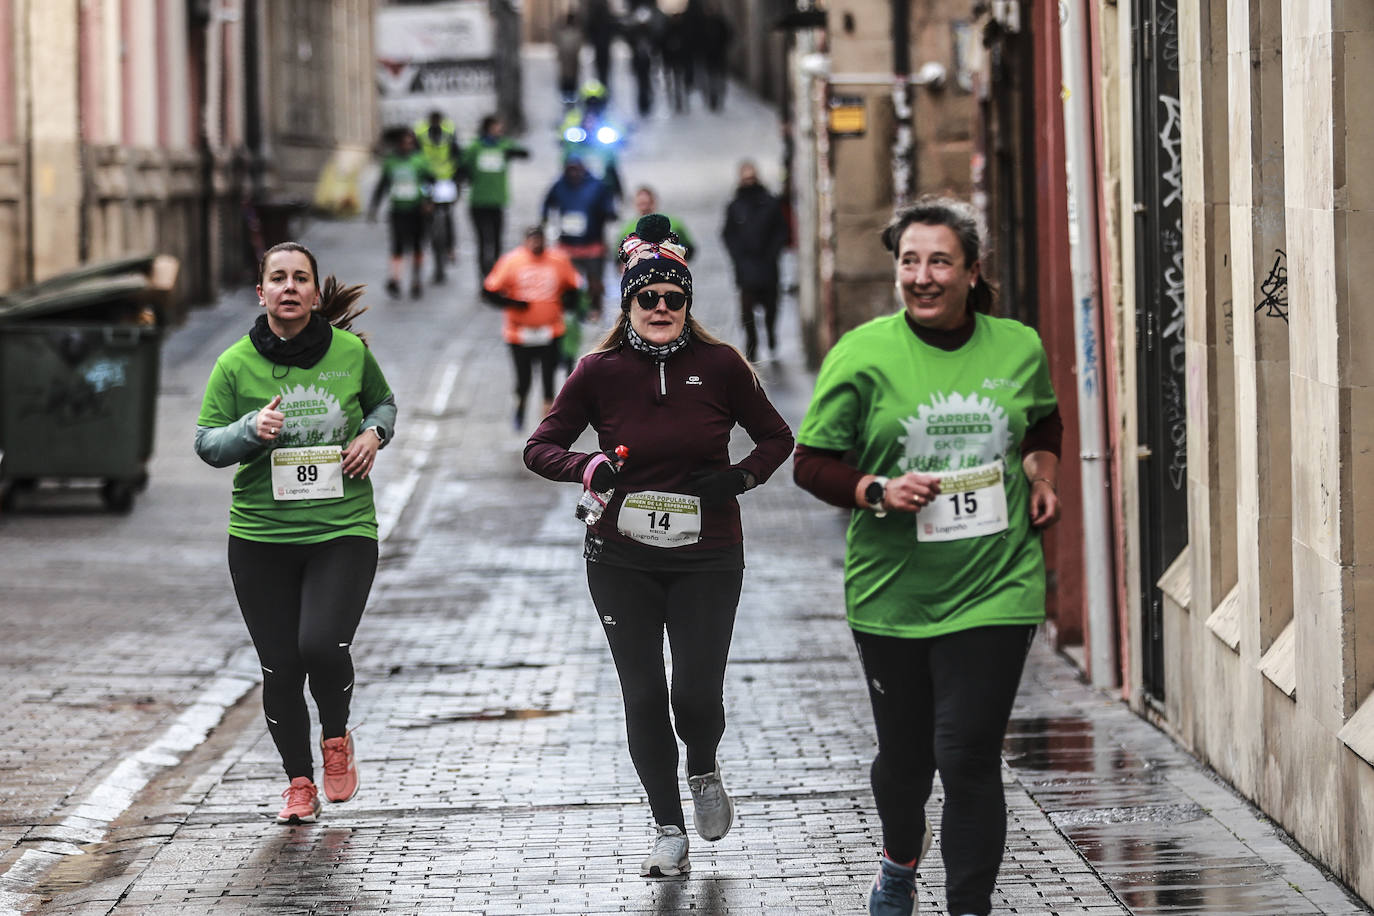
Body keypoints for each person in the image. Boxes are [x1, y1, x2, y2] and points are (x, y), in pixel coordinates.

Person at [791, 198, 1063, 916]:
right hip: (893, 593)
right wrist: (876, 488)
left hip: (996, 585)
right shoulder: (863, 353)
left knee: (967, 755)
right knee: (906, 763)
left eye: (939, 260)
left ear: (972, 272)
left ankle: (968, 908)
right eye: (909, 261)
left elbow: (1043, 422)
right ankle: (898, 861)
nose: (922, 275)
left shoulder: (1017, 347)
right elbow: (811, 463)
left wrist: (1042, 477)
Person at [524, 214, 794, 879]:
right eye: (650, 297)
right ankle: (667, 826)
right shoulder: (599, 371)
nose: (663, 307)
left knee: (694, 698)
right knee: (643, 696)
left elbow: (776, 437)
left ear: (688, 303)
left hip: (707, 555)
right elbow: (539, 448)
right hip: (621, 557)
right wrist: (586, 467)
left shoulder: (722, 366)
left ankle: (702, 766)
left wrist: (741, 475)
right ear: (629, 303)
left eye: (675, 297)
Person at [194, 241, 397, 825]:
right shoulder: (235, 363)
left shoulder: (350, 352)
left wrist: (372, 436)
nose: (289, 288)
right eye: (277, 279)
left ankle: (336, 738)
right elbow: (208, 444)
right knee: (280, 666)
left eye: (300, 278)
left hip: (342, 530)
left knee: (320, 644)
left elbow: (382, 404)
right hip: (260, 537)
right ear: (261, 293)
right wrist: (249, 429)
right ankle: (298, 782)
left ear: (313, 291)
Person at [482, 225, 584, 431]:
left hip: (551, 330)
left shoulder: (558, 260)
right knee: (523, 379)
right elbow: (489, 292)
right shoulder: (511, 262)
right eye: (532, 239)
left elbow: (574, 287)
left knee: (549, 378)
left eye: (539, 239)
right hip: (519, 333)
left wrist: (567, 304)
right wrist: (512, 303)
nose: (536, 243)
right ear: (525, 241)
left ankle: (545, 424)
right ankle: (520, 406)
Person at [721, 161, 788, 361]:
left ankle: (771, 334)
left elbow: (781, 230)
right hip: (746, 267)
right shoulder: (735, 206)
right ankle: (752, 343)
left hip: (767, 265)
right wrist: (738, 256)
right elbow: (728, 234)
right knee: (747, 309)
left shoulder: (769, 202)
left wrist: (772, 252)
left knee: (771, 306)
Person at [542, 156, 619, 318]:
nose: (574, 173)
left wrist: (608, 213)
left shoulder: (597, 186)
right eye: (570, 169)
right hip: (568, 243)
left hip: (592, 243)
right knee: (569, 280)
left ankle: (595, 307)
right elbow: (547, 203)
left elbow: (608, 206)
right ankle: (573, 308)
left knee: (595, 280)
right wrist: (545, 220)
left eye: (576, 169)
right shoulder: (559, 185)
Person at [367, 130, 435, 299]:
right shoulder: (391, 162)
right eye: (404, 142)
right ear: (399, 144)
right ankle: (395, 279)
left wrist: (427, 200)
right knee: (397, 245)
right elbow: (383, 184)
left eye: (410, 142)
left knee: (417, 245)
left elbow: (430, 181)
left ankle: (416, 280)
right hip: (398, 209)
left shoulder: (420, 161)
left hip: (417, 210)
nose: (407, 146)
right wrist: (374, 207)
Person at [462, 115, 530, 279]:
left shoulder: (503, 146)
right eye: (496, 127)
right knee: (483, 242)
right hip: (478, 201)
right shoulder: (475, 148)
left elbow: (524, 153)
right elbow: (463, 168)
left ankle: (498, 277)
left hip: (497, 201)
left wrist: (514, 151)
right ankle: (483, 278)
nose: (500, 130)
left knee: (497, 241)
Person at [413, 111, 464, 284]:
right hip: (427, 180)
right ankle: (430, 247)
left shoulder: (449, 131)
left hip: (445, 180)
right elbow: (415, 155)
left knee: (447, 215)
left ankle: (450, 248)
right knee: (426, 216)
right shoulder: (420, 132)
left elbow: (457, 155)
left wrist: (458, 181)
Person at [617, 186, 695, 262]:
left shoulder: (673, 224)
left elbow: (689, 249)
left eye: (647, 204)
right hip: (638, 270)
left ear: (654, 202)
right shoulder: (627, 228)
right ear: (635, 204)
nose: (644, 208)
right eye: (641, 204)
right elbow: (617, 257)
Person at [554, 10, 584, 109]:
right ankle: (568, 98)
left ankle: (569, 98)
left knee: (569, 80)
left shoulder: (567, 34)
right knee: (569, 81)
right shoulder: (575, 34)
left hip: (569, 62)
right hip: (569, 62)